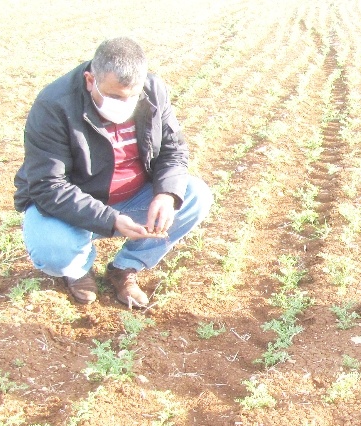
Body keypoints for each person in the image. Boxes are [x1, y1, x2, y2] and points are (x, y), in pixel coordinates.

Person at [14, 37, 213, 308]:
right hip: (73, 207)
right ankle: (78, 268)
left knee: (194, 195)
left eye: (132, 96)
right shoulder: (54, 105)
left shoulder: (153, 91)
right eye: (115, 96)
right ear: (89, 80)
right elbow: (48, 185)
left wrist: (166, 194)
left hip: (132, 198)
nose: (125, 103)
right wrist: (110, 220)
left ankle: (125, 268)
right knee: (53, 249)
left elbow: (173, 150)